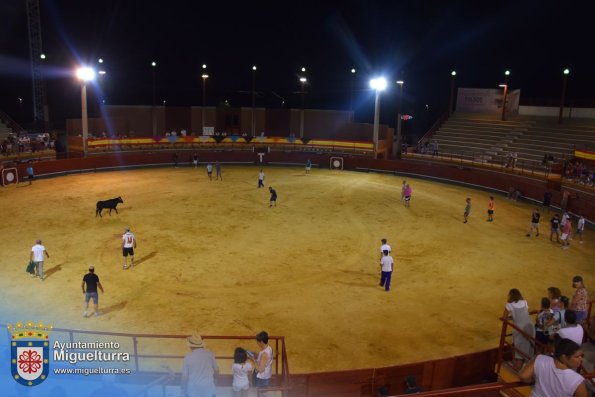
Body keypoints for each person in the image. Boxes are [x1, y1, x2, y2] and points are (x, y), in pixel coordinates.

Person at [518, 338, 587, 397]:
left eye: (581, 356)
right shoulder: (577, 380)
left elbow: (523, 376)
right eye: (577, 357)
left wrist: (534, 380)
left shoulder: (540, 359)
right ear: (564, 357)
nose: (581, 359)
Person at [504, 289, 535, 370]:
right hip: (530, 327)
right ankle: (526, 368)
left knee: (519, 350)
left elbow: (504, 318)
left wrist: (512, 317)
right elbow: (525, 313)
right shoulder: (524, 302)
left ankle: (518, 368)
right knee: (529, 347)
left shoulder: (509, 305)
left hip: (519, 329)